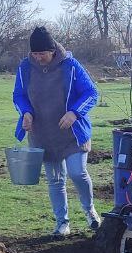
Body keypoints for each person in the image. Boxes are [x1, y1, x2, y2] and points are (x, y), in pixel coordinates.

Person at [12, 26, 101, 236]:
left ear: (52, 50)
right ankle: (62, 223)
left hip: (72, 134)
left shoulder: (70, 65)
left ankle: (90, 211)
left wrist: (74, 113)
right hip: (43, 134)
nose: (38, 57)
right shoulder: (25, 67)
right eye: (35, 53)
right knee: (55, 180)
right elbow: (18, 95)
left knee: (77, 173)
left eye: (42, 53)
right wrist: (25, 112)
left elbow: (91, 93)